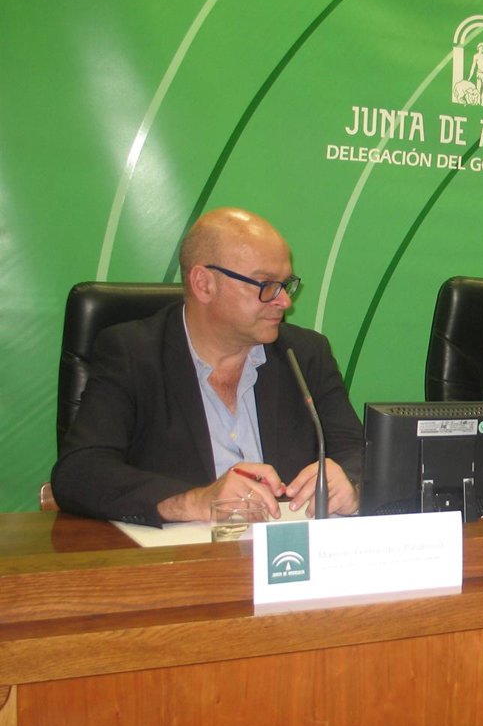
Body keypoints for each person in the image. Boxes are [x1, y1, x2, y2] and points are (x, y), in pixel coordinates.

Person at [52, 207, 363, 525]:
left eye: (285, 285)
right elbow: (79, 472)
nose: (284, 301)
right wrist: (193, 501)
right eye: (266, 284)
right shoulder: (133, 353)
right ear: (204, 284)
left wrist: (350, 484)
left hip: (286, 547)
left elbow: (357, 452)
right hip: (181, 551)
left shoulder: (305, 354)